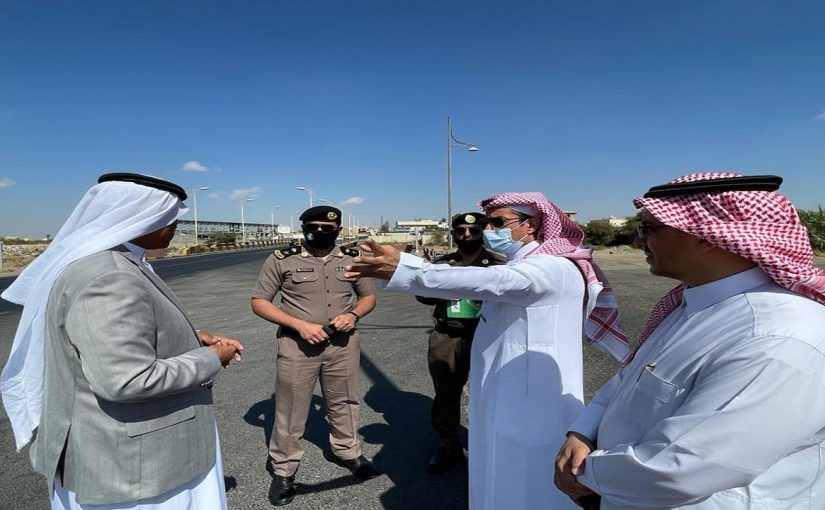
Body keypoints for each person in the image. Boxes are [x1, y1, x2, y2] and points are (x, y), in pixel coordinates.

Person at [554, 172, 825, 509]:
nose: (638, 241)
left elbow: (684, 469)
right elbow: (628, 380)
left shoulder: (777, 336)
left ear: (705, 235)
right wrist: (583, 432)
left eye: (649, 229)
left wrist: (582, 475)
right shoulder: (694, 303)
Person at [344, 192, 629, 510]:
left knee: (527, 484)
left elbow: (490, 280)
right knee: (499, 475)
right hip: (509, 397)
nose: (488, 229)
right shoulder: (527, 263)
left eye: (497, 222)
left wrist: (404, 268)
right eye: (488, 223)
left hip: (531, 407)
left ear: (531, 225)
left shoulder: (551, 268)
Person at [0, 173, 243, 509]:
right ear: (141, 216)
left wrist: (190, 337)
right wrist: (213, 357)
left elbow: (103, 337)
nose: (175, 224)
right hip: (134, 467)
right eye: (169, 215)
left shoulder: (112, 261)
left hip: (133, 456)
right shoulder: (110, 276)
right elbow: (127, 380)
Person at [251, 205, 378, 506]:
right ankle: (284, 470)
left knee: (344, 401)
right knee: (291, 408)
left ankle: (348, 452)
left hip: (342, 344)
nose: (320, 231)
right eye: (313, 226)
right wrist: (299, 325)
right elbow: (259, 301)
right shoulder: (282, 259)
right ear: (303, 228)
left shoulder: (352, 259)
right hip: (298, 345)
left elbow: (368, 296)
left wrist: (353, 315)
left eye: (327, 227)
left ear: (339, 229)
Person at [415, 212, 506, 474]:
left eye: (474, 231)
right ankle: (448, 444)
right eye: (460, 231)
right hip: (448, 335)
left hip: (487, 335)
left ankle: (490, 444)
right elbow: (423, 295)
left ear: (482, 233)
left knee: (491, 391)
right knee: (446, 392)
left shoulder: (499, 264)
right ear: (453, 234)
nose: (467, 236)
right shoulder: (443, 264)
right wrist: (440, 286)